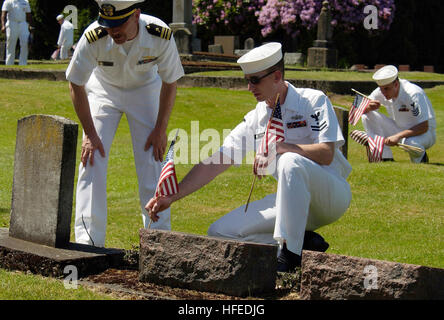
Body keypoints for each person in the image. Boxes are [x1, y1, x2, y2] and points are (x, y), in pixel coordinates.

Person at [146, 43, 352, 272]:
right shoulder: (256, 118)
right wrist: (171, 196)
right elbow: (217, 161)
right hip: (289, 201)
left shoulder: (313, 101)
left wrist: (280, 147)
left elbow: (326, 153)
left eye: (254, 80)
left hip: (330, 196)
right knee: (220, 233)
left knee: (290, 161)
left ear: (276, 76)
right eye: (247, 80)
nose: (248, 87)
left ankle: (290, 257)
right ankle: (302, 245)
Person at [66, 0, 184, 247]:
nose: (113, 31)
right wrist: (89, 133)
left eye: (119, 24)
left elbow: (170, 81)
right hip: (103, 91)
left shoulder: (159, 34)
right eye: (109, 25)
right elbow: (76, 83)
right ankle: (88, 241)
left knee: (154, 157)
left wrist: (161, 129)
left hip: (144, 92)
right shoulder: (93, 36)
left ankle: (157, 241)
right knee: (91, 158)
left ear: (136, 15)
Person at [356, 65, 436, 163]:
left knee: (410, 143)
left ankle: (421, 159)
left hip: (424, 133)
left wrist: (398, 136)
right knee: (367, 115)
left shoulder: (413, 93)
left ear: (396, 84)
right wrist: (368, 107)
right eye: (381, 89)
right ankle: (385, 157)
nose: (383, 93)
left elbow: (424, 126)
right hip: (399, 128)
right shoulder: (382, 90)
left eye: (386, 89)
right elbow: (358, 109)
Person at [1, 0, 32, 65]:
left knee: (25, 43)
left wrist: (30, 25)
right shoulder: (8, 1)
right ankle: (9, 63)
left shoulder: (25, 2)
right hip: (12, 23)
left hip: (23, 23)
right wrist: (3, 25)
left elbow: (28, 15)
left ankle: (23, 63)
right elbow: (3, 14)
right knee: (11, 44)